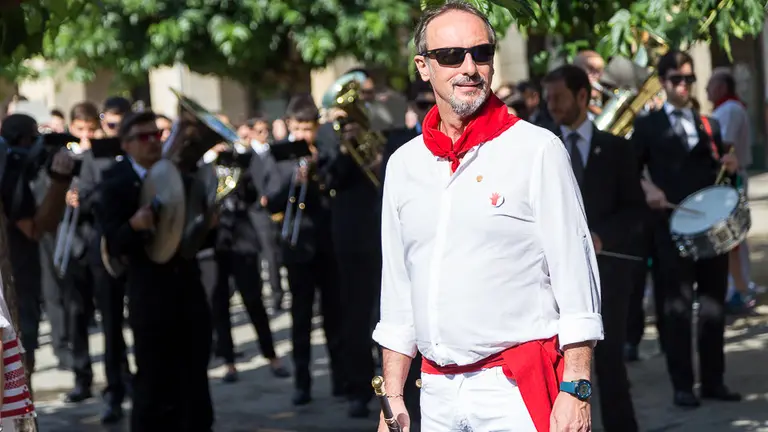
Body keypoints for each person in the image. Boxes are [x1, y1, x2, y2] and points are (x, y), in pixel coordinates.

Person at [373, 2, 603, 431]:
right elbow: (398, 292)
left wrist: (577, 389)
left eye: (481, 53)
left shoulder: (537, 150)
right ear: (423, 66)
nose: (469, 67)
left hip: (512, 391)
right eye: (450, 56)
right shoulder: (404, 164)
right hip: (436, 393)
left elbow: (577, 280)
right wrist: (392, 398)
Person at [632, 50, 741, 408]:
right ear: (663, 83)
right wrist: (648, 189)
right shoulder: (648, 126)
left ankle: (714, 381)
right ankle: (682, 384)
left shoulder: (709, 124)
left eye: (689, 79)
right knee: (676, 309)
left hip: (710, 229)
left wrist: (731, 164)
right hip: (670, 229)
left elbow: (722, 173)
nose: (684, 86)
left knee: (713, 308)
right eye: (677, 79)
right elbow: (630, 173)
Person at [95, 111, 214, 430]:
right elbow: (113, 244)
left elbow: (197, 239)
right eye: (143, 137)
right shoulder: (114, 182)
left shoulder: (183, 176)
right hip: (149, 295)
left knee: (195, 379)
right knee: (153, 383)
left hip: (188, 291)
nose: (153, 142)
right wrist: (134, 228)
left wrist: (208, 224)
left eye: (157, 135)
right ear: (126, 144)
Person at [543, 64, 645, 432]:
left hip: (608, 276)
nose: (551, 105)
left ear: (583, 96)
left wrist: (604, 237)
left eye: (559, 97)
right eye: (548, 98)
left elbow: (635, 211)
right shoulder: (540, 148)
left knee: (611, 365)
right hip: (554, 281)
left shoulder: (616, 149)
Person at [261, 98, 344, 406]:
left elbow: (337, 191)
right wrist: (293, 181)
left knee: (334, 316)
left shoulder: (327, 153)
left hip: (327, 245)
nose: (300, 135)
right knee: (300, 318)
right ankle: (302, 382)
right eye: (296, 128)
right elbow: (270, 198)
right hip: (297, 248)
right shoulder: (280, 157)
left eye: (306, 128)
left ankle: (340, 379)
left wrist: (318, 174)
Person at [0, 114, 76, 383]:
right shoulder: (9, 175)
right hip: (14, 286)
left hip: (18, 282)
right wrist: (59, 181)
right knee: (19, 370)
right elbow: (34, 228)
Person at [706, 68, 757, 311]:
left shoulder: (729, 110)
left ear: (722, 88)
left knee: (731, 238)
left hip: (730, 178)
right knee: (736, 238)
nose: (706, 90)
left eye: (711, 85)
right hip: (731, 177)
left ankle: (738, 289)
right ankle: (740, 286)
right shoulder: (732, 108)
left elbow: (721, 143)